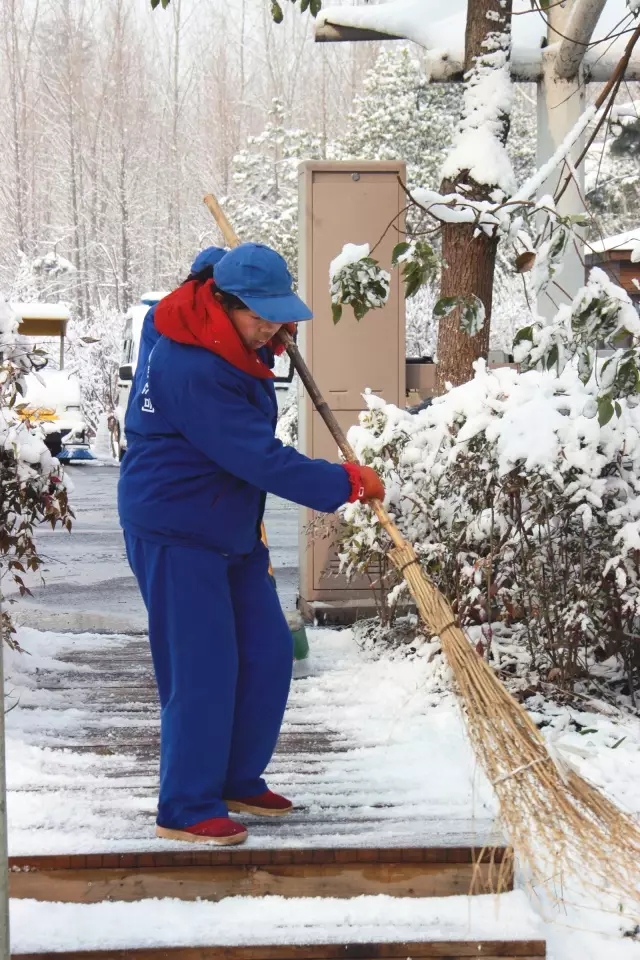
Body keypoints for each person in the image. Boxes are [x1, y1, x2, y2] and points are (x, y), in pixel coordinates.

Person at [118, 242, 384, 846]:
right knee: (202, 669)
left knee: (266, 655)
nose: (272, 328)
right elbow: (258, 456)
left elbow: (204, 281)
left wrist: (235, 298)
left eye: (278, 316)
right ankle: (185, 805)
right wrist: (344, 482)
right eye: (259, 316)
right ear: (222, 302)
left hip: (230, 524)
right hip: (176, 528)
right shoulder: (194, 367)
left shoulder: (206, 318)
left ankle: (236, 777)